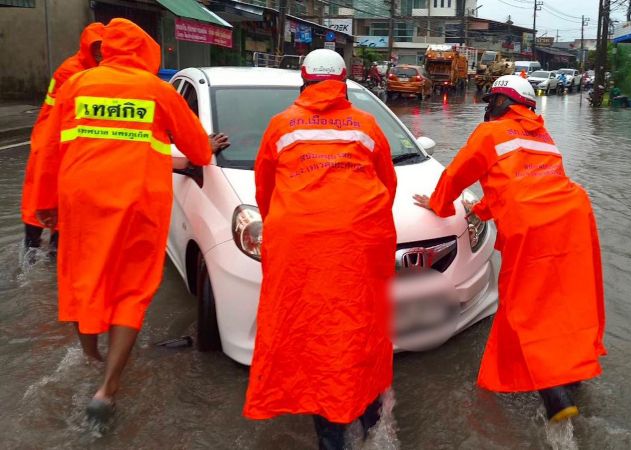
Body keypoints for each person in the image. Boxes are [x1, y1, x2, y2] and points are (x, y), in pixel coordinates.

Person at [33, 18, 229, 426]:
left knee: (84, 279)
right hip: (138, 204)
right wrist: (202, 147)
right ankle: (108, 387)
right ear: (145, 51)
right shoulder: (157, 90)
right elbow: (198, 150)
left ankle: (90, 357)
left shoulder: (76, 85)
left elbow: (48, 148)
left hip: (81, 202)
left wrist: (45, 204)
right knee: (131, 288)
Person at [414, 75, 606, 422]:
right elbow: (521, 185)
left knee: (523, 305)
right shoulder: (543, 136)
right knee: (567, 301)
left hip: (532, 227)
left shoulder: (490, 133)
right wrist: (481, 209)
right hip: (575, 221)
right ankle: (572, 373)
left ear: (499, 103)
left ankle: (555, 394)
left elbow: (457, 175)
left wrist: (440, 207)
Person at [243, 49, 397, 450]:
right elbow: (387, 185)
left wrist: (287, 227)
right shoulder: (366, 125)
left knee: (310, 334)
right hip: (359, 243)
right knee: (362, 327)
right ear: (343, 83)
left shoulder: (281, 126)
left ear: (304, 81)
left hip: (300, 248)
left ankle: (330, 432)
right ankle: (365, 414)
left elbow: (265, 192)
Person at [20, 22, 105, 255]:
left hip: (65, 141)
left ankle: (53, 254)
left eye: (103, 47)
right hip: (51, 141)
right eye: (96, 47)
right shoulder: (72, 71)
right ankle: (33, 252)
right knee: (41, 197)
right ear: (87, 47)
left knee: (62, 203)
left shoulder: (92, 71)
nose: (100, 52)